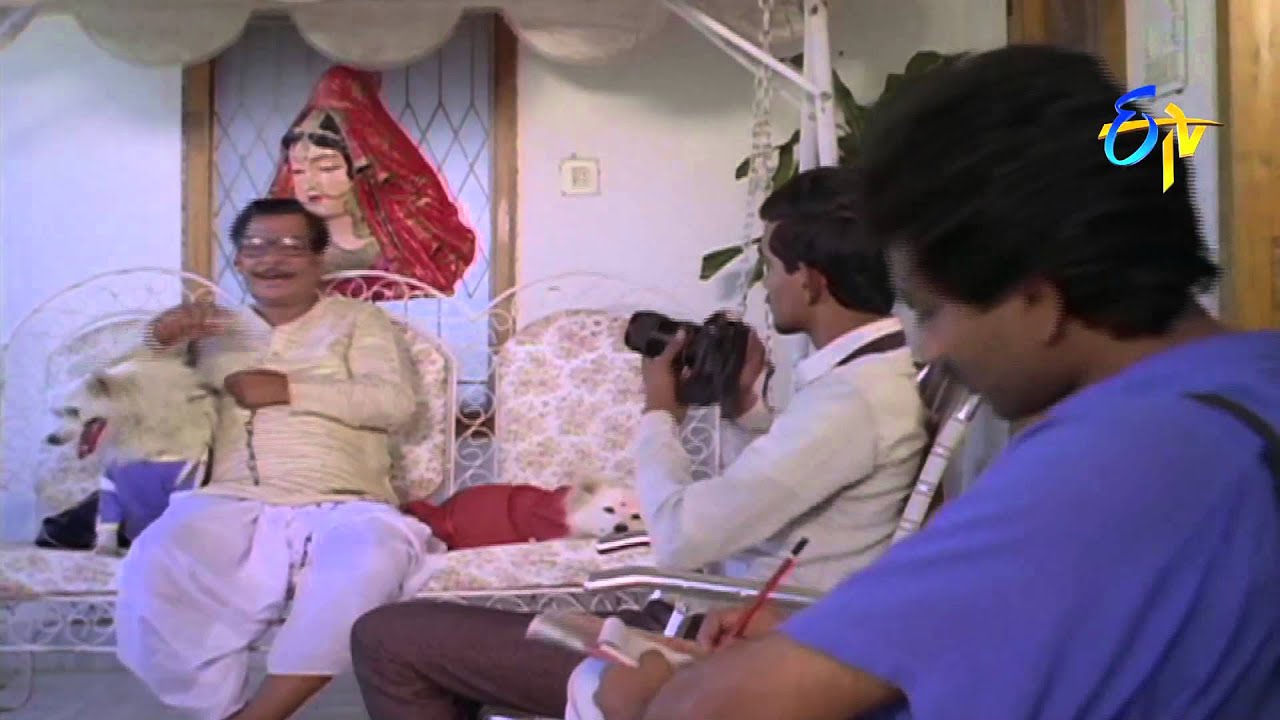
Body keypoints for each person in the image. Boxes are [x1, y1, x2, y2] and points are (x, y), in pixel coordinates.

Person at [585, 45, 1280, 720]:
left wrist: (648, 699)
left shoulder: (1107, 464)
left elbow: (709, 710)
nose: (930, 348)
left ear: (1038, 300)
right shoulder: (1247, 388)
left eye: (933, 310)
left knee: (607, 684)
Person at [348, 165, 929, 720]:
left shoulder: (852, 402)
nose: (770, 286)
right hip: (720, 616)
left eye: (771, 266)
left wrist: (658, 412)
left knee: (388, 638)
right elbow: (794, 479)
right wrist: (744, 406)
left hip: (720, 643)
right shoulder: (864, 379)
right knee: (439, 642)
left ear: (810, 280)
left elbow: (678, 538)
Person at [115, 197, 445, 720]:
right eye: (256, 246)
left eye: (291, 246)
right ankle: (218, 709)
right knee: (158, 560)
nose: (272, 258)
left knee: (372, 556)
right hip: (231, 500)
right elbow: (130, 401)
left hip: (343, 500)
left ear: (319, 259)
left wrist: (290, 390)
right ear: (239, 260)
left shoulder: (359, 321)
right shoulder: (212, 331)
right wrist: (158, 341)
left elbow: (394, 405)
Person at [270, 64, 477, 298]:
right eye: (298, 171)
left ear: (362, 168)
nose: (310, 183)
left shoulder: (398, 236)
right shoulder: (288, 242)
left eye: (327, 168)